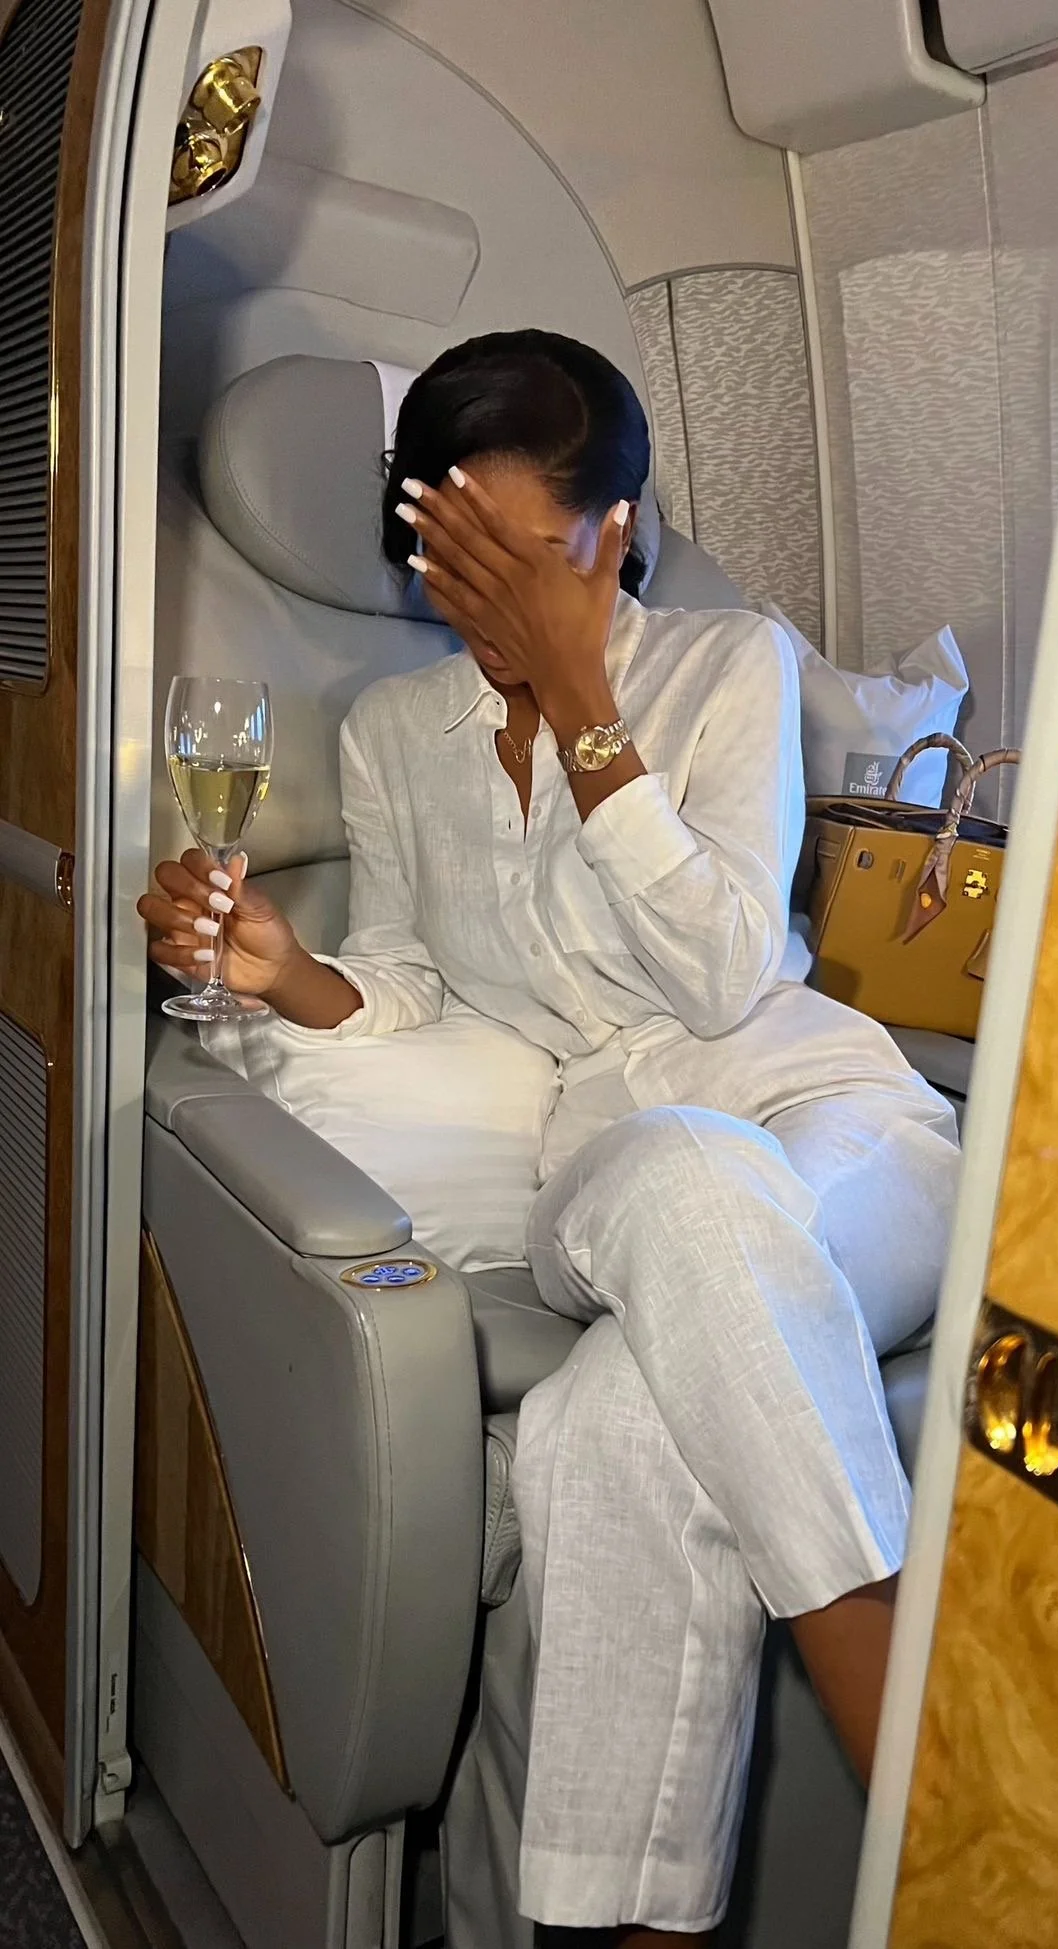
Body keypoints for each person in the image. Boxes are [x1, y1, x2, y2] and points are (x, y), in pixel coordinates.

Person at [140, 330, 959, 1944]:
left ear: (617, 533)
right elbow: (412, 975)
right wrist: (288, 974)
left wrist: (587, 700)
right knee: (679, 1172)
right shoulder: (394, 733)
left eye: (527, 561)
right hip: (609, 1166)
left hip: (827, 1115)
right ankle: (932, 1781)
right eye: (451, 559)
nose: (488, 604)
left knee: (608, 1435)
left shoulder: (727, 666)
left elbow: (725, 971)